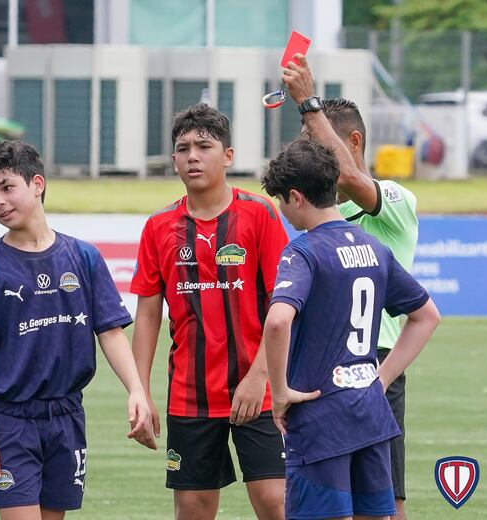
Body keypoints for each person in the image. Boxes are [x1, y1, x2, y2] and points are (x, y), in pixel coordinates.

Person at [0, 139, 155, 519]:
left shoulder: (83, 256)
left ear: (37, 184)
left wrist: (137, 391)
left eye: (7, 187)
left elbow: (111, 332)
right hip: (10, 422)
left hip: (67, 418)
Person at [261, 138, 440, 520]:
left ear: (296, 197)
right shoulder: (374, 247)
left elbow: (277, 321)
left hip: (320, 416)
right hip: (370, 415)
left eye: (280, 200)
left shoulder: (303, 252)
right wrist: (382, 378)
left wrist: (279, 393)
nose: (282, 210)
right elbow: (427, 316)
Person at [131, 103, 289, 520]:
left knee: (275, 501)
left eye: (204, 146)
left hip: (259, 391)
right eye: (183, 149)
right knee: (192, 510)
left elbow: (285, 306)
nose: (193, 156)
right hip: (191, 395)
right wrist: (140, 390)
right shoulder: (159, 226)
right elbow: (147, 315)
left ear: (228, 156)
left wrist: (259, 377)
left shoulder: (260, 213)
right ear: (173, 160)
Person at [283, 55, 420, 520]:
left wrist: (308, 104)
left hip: (374, 363)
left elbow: (348, 178)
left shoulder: (395, 200)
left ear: (353, 141)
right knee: (324, 503)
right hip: (318, 369)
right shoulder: (315, 219)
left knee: (385, 505)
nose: (313, 159)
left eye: (319, 142)